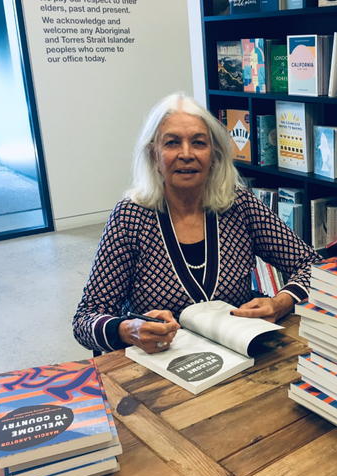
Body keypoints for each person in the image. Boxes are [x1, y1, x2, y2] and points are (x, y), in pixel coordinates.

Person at [73, 93, 320, 354]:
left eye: (199, 143)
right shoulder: (130, 218)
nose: (186, 154)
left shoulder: (239, 205)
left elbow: (312, 266)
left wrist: (281, 302)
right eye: (172, 143)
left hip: (239, 359)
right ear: (153, 154)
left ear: (213, 155)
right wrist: (128, 330)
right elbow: (85, 319)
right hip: (160, 369)